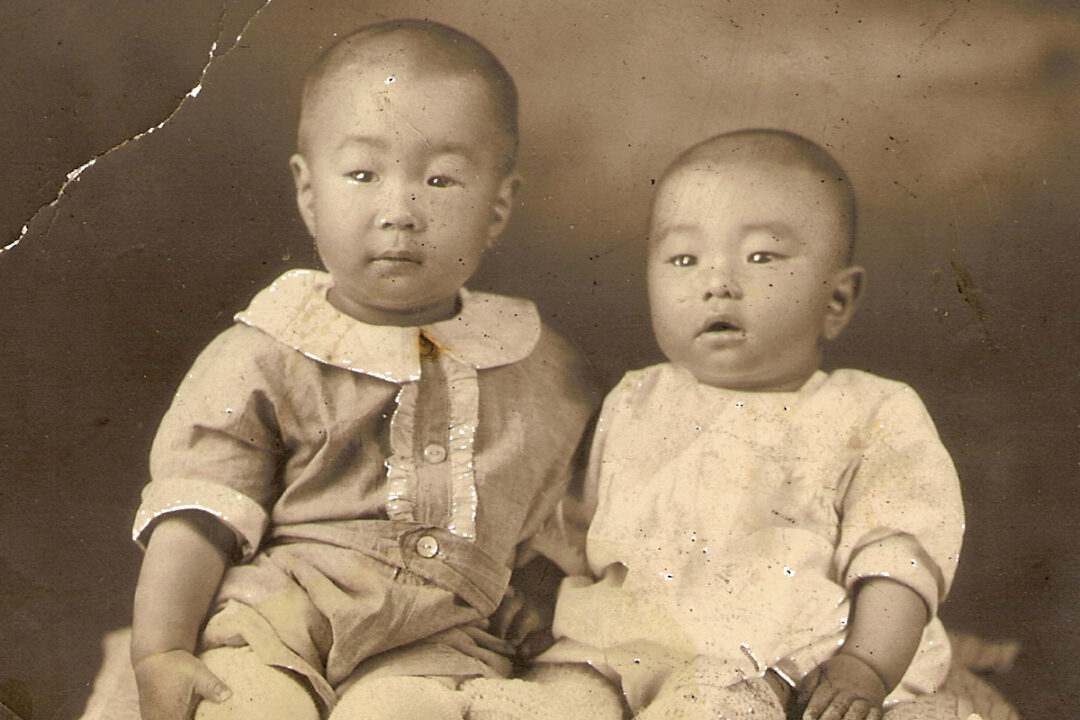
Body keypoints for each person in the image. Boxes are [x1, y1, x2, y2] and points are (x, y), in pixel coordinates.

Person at [127, 19, 594, 720]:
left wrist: (534, 583)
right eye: (363, 174)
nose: (399, 211)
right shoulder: (267, 349)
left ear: (497, 206)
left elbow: (550, 506)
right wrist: (160, 651)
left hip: (438, 642)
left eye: (438, 180)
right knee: (247, 704)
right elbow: (197, 515)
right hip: (280, 618)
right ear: (309, 191)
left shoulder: (535, 359)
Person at [497, 129, 967, 720]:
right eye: (684, 259)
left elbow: (898, 559)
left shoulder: (872, 412)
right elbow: (566, 528)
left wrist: (865, 666)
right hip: (608, 653)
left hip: (767, 666)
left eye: (762, 257)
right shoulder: (635, 399)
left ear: (837, 300)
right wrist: (538, 596)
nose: (716, 281)